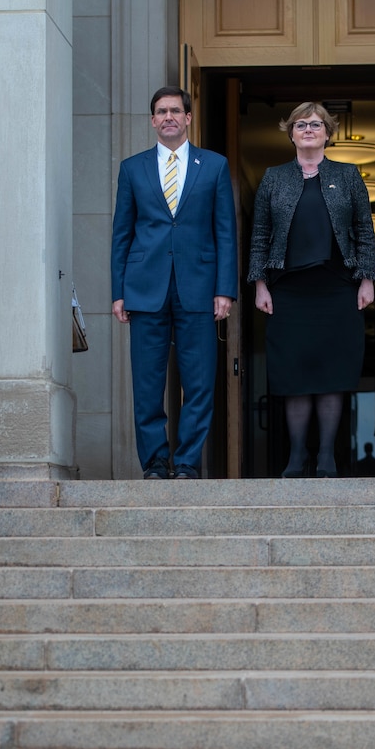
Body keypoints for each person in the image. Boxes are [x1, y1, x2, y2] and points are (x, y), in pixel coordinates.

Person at [110, 87, 238, 480]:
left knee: (199, 382)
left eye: (175, 111)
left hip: (198, 287)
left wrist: (225, 289)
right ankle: (154, 462)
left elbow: (225, 232)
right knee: (147, 383)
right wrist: (118, 292)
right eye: (161, 111)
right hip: (144, 287)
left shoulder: (214, 165)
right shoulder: (132, 168)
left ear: (188, 118)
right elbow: (121, 234)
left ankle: (186, 463)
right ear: (153, 120)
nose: (168, 117)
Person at [248, 101, 375, 478]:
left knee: (332, 374)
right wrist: (260, 284)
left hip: (337, 289)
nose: (308, 130)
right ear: (290, 133)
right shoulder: (273, 177)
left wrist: (367, 278)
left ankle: (326, 457)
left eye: (316, 124)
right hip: (288, 291)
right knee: (295, 376)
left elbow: (365, 231)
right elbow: (260, 235)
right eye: (301, 124)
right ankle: (296, 456)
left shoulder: (348, 175)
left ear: (328, 134)